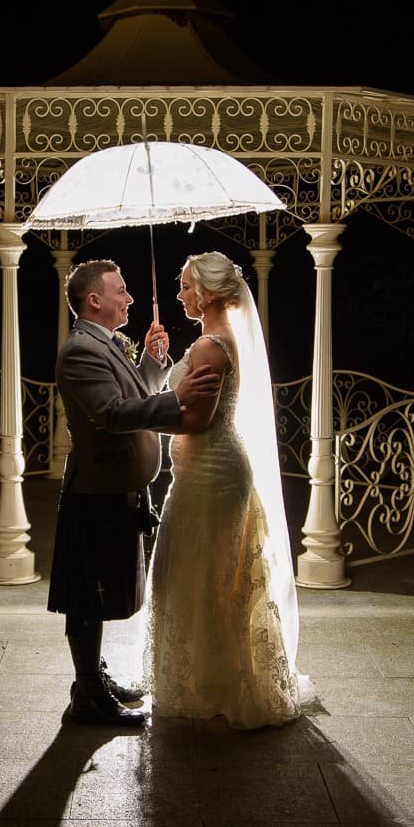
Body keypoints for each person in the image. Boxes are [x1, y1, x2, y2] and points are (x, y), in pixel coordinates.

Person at [49, 259, 220, 727]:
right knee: (88, 594)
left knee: (103, 591)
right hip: (96, 490)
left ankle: (92, 679)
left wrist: (151, 364)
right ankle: (85, 694)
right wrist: (179, 398)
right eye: (120, 291)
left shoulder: (107, 344)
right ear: (94, 301)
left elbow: (133, 395)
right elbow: (114, 414)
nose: (129, 298)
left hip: (118, 486)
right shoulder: (80, 350)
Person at [146, 251, 307, 729]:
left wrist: (144, 410)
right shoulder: (208, 342)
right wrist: (159, 367)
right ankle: (212, 676)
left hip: (212, 475)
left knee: (209, 575)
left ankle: (219, 683)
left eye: (186, 286)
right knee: (206, 574)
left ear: (210, 292)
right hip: (200, 474)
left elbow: (197, 420)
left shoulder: (211, 347)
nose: (180, 295)